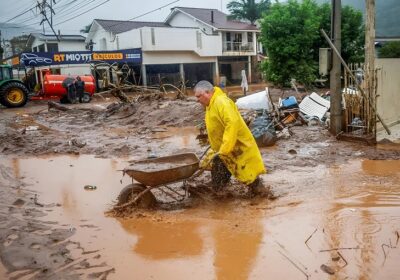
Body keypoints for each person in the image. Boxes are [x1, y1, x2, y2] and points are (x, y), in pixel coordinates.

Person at [194, 80, 267, 196]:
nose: (197, 99)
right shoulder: (210, 105)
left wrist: (226, 146)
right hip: (222, 151)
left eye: (198, 96)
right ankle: (221, 196)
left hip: (237, 148)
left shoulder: (222, 102)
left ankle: (264, 197)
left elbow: (232, 123)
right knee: (218, 180)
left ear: (207, 93)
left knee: (250, 176)